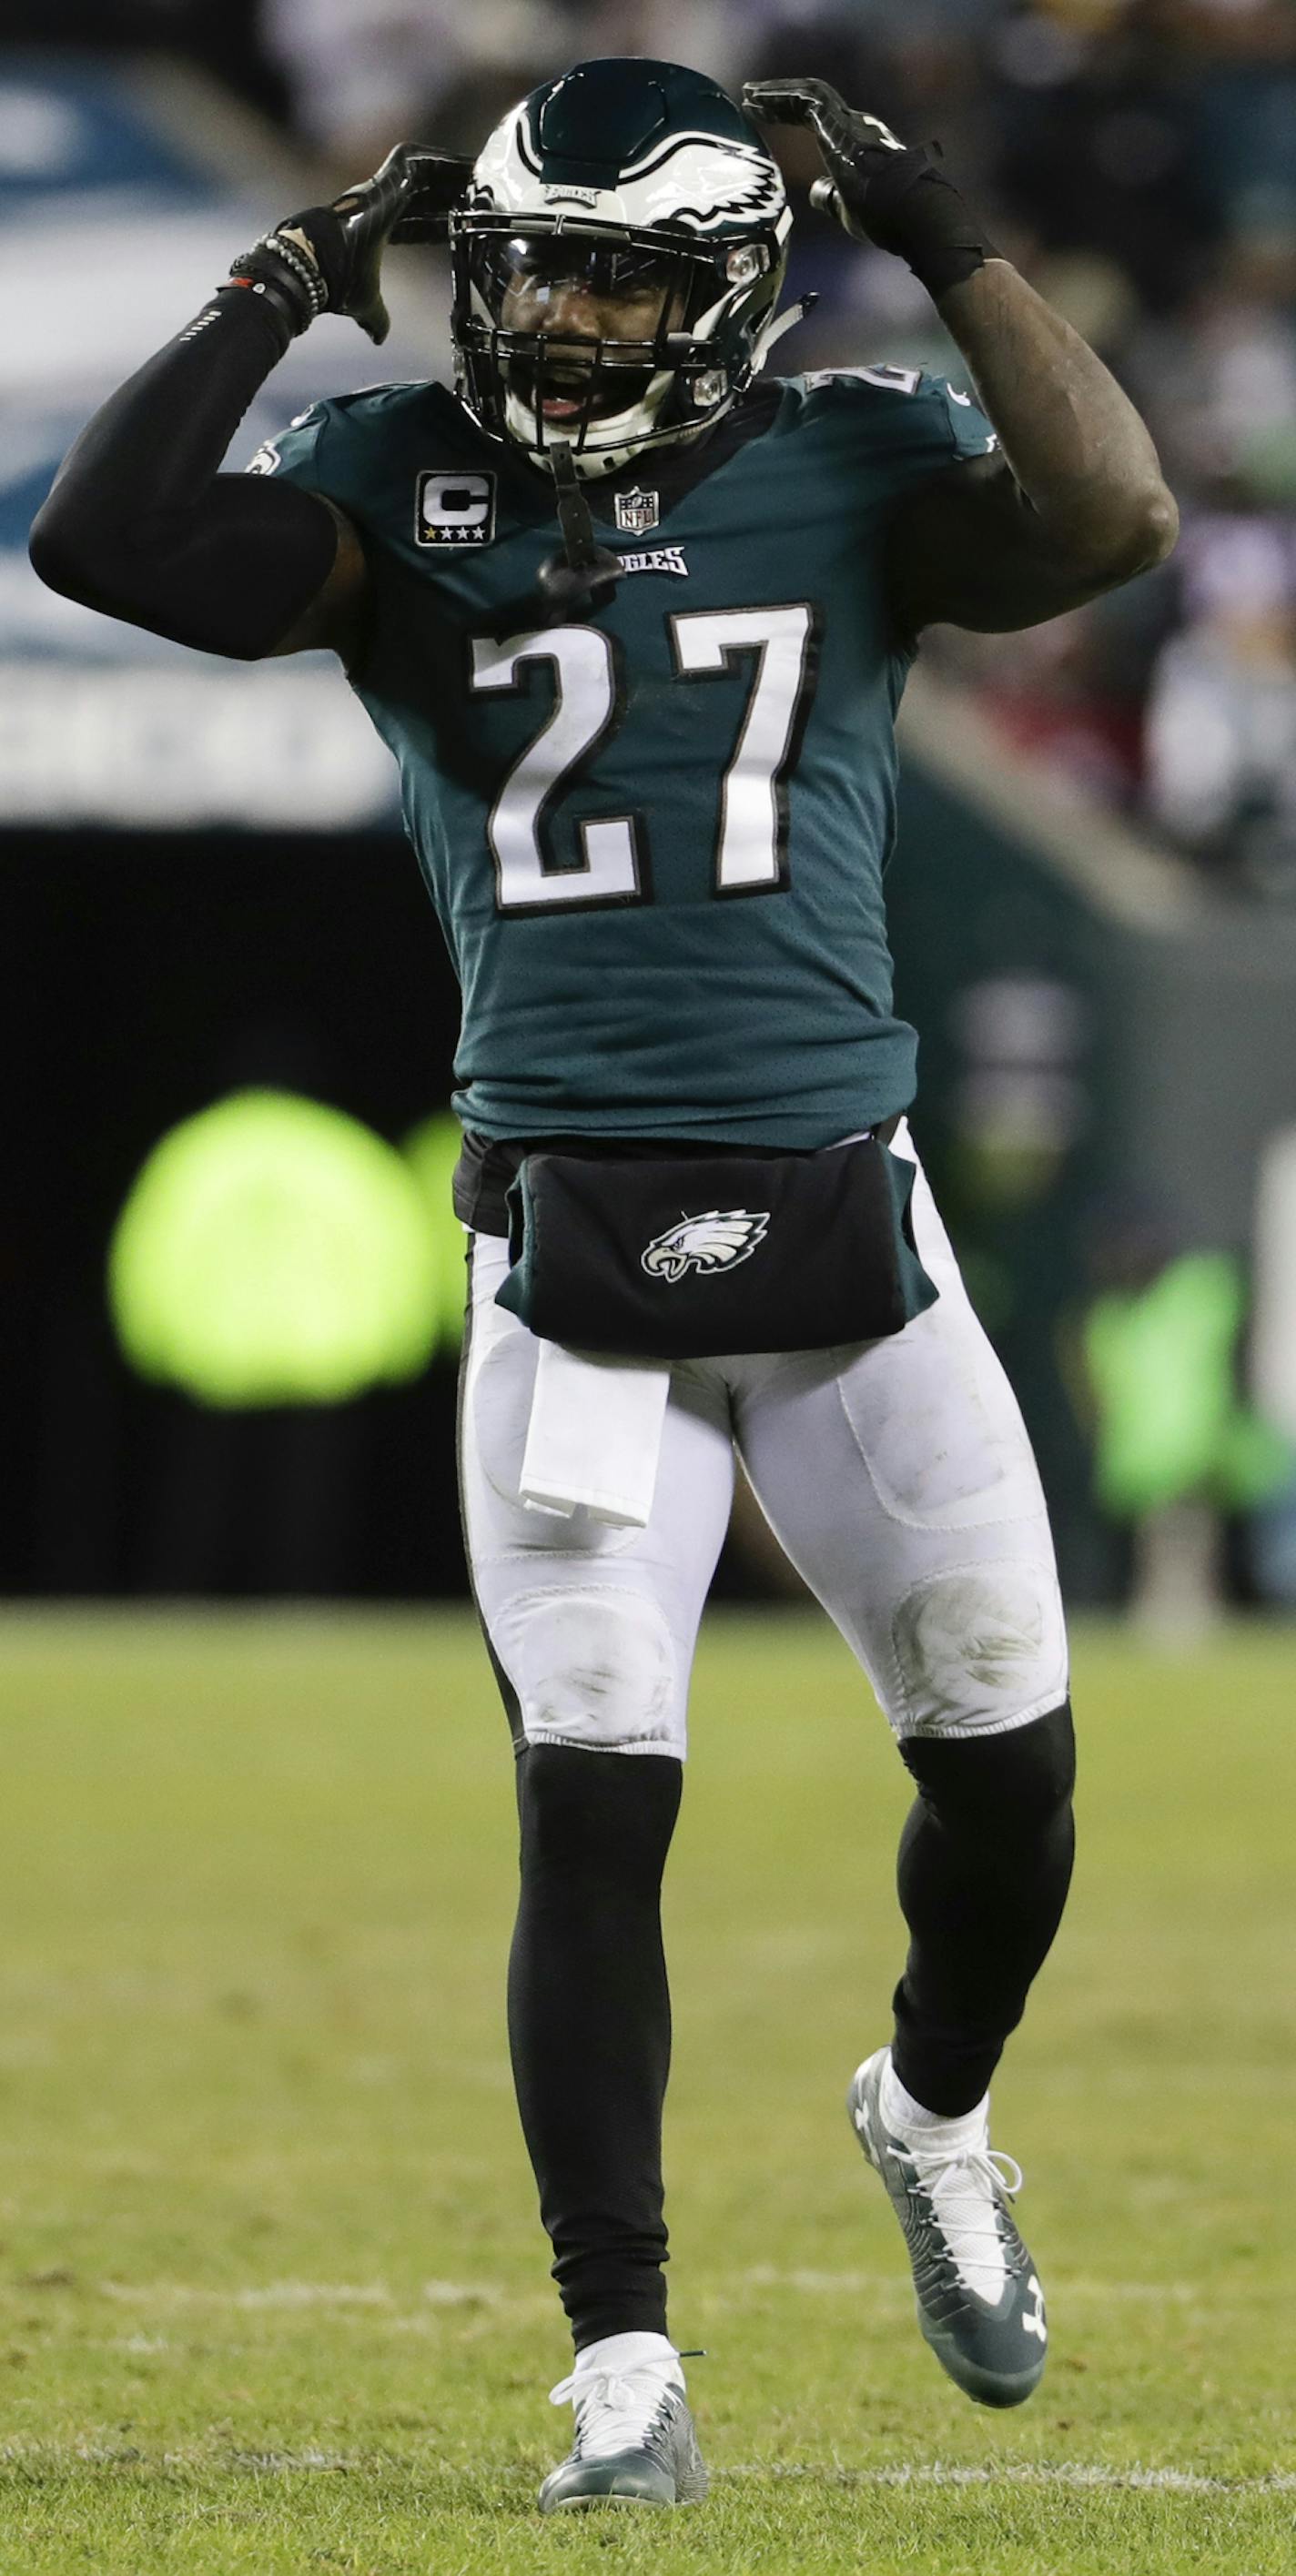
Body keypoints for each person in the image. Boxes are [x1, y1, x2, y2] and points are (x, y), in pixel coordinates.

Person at [30, 56, 1176, 2512]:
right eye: (529, 263)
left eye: (612, 277)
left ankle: (934, 2107)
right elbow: (106, 548)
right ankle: (622, 2367)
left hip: (855, 1247)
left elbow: (1111, 510)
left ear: (733, 294)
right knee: (594, 1806)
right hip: (564, 1264)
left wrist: (947, 225)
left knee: (1012, 1786)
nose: (550, 317)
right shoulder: (393, 485)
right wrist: (296, 266)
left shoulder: (857, 457)